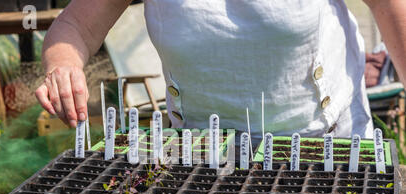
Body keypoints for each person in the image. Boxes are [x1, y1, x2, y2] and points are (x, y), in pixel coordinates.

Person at [36, 0, 406, 141]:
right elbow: (76, 26)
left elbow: (391, 6)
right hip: (203, 157)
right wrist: (63, 64)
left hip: (326, 149)